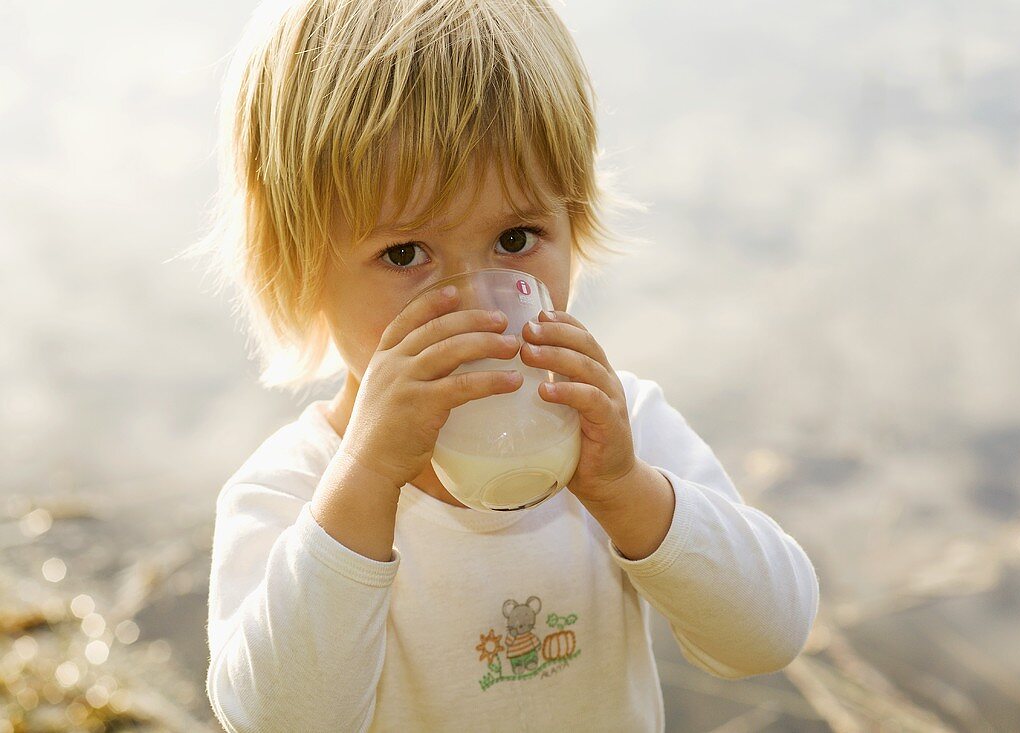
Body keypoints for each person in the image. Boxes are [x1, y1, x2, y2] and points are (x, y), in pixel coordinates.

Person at [187, 0, 820, 730]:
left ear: (574, 227)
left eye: (517, 237)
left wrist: (626, 490)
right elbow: (276, 722)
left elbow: (768, 636)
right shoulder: (290, 492)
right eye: (403, 254)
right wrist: (364, 476)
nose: (475, 306)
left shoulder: (622, 427)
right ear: (301, 270)